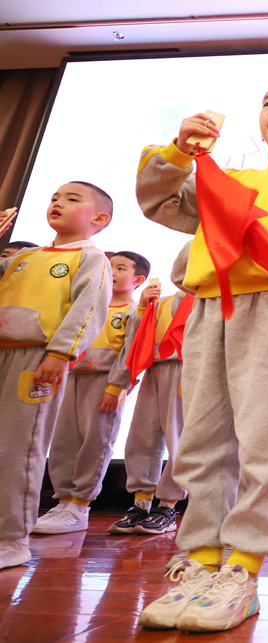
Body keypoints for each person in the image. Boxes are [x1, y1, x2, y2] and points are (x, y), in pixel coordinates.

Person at [135, 81, 268, 632]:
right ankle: (202, 562)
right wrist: (176, 152)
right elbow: (160, 202)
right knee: (202, 438)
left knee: (264, 440)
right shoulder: (228, 179)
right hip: (212, 309)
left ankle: (243, 572)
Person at [0, 181, 113, 569]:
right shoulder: (23, 257)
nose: (57, 203)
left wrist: (61, 352)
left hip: (35, 359)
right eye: (54, 198)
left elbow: (89, 308)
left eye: (71, 199)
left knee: (18, 449)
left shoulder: (91, 258)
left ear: (99, 218)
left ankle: (13, 539)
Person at [34, 251, 147, 534]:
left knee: (95, 443)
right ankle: (63, 501)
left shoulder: (133, 313)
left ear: (138, 280)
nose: (112, 272)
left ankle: (80, 506)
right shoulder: (88, 308)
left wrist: (116, 387)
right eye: (109, 267)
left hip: (104, 383)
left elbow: (131, 355)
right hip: (70, 378)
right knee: (63, 442)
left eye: (121, 268)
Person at [108, 242, 194, 536]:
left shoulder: (213, 302)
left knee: (179, 438)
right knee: (142, 437)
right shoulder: (163, 301)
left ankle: (168, 506)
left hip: (189, 371)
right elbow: (136, 339)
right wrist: (144, 308)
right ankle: (140, 503)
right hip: (155, 371)